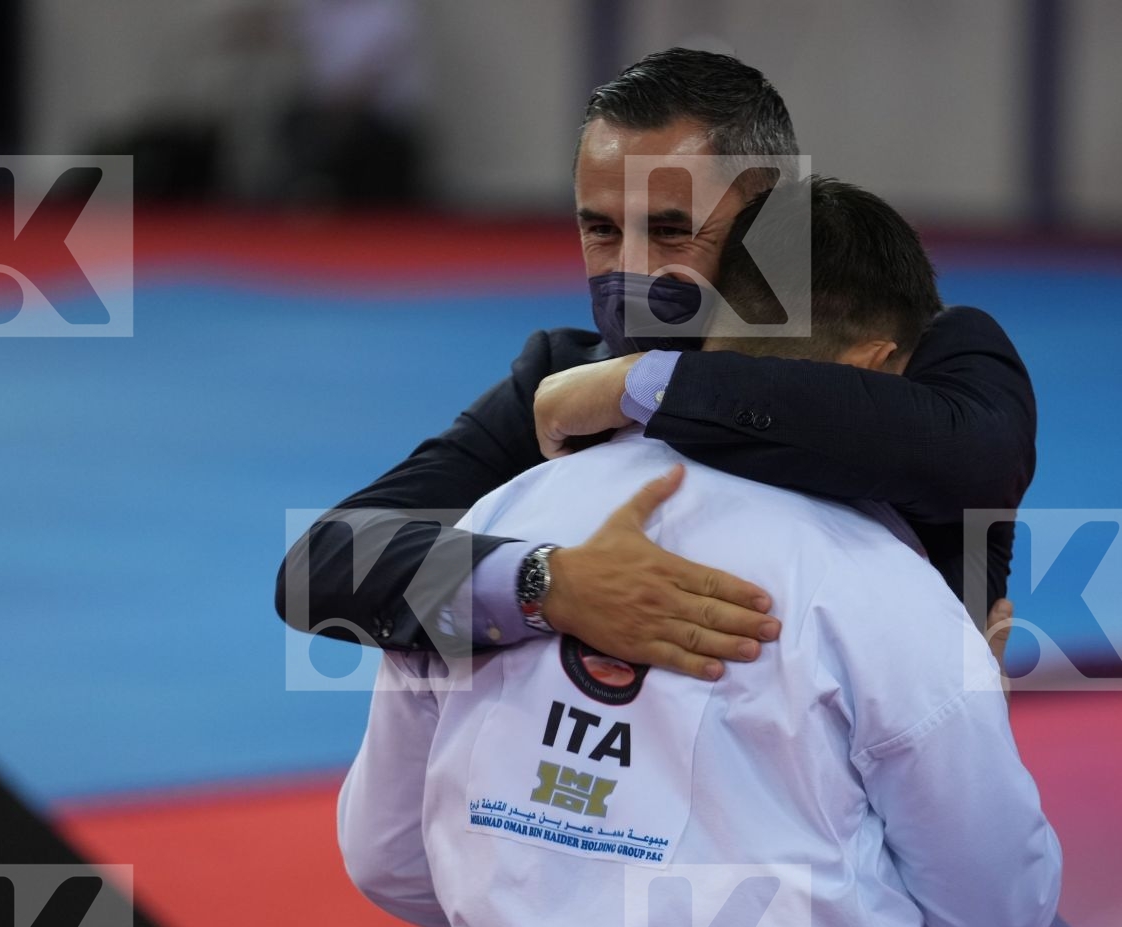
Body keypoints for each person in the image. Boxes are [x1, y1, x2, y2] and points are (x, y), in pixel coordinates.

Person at [337, 177, 1062, 927]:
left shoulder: (497, 522)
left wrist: (564, 908)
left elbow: (383, 856)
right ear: (883, 371)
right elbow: (999, 919)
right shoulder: (892, 588)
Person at [275, 47, 1035, 681]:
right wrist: (549, 584)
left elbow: (975, 454)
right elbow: (325, 569)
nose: (630, 271)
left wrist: (641, 388)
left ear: (774, 226)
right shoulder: (565, 377)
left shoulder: (923, 351)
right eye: (600, 229)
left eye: (671, 231)